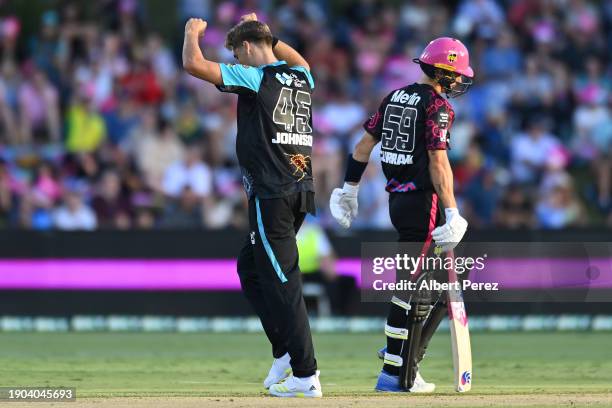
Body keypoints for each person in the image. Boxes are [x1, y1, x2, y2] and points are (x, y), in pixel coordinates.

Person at [182, 13, 321, 397]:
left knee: (283, 283)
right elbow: (302, 62)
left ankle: (306, 375)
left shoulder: (256, 77)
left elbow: (193, 64)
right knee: (251, 267)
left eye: (237, 54)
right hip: (298, 190)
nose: (236, 62)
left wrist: (192, 32)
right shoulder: (301, 78)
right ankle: (284, 350)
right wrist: (265, 34)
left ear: (244, 48)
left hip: (271, 193)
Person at [329, 37, 473, 392]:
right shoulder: (437, 105)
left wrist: (349, 188)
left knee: (437, 281)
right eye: (455, 74)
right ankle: (396, 370)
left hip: (398, 203)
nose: (459, 81)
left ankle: (405, 359)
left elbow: (363, 147)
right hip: (426, 203)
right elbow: (438, 161)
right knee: (412, 287)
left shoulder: (394, 97)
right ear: (442, 71)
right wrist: (453, 211)